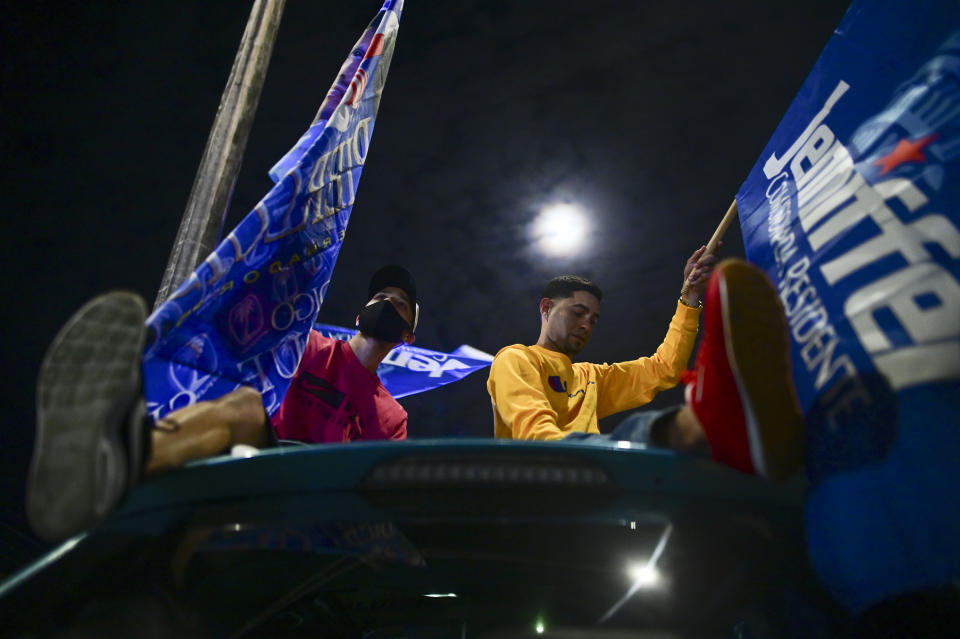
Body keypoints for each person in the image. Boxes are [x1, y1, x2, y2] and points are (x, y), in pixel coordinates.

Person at [26, 265, 419, 542]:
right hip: (258, 468)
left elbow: (380, 493)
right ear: (358, 315)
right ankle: (113, 468)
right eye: (380, 297)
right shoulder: (307, 344)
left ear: (407, 335)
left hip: (320, 507)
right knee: (245, 406)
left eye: (399, 304)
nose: (386, 303)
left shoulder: (392, 416)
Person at [487, 252, 805, 481]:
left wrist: (690, 298)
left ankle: (733, 434)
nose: (587, 324)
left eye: (593, 319)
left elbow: (663, 369)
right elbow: (535, 436)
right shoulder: (514, 359)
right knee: (644, 436)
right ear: (546, 308)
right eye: (577, 312)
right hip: (540, 482)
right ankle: (705, 423)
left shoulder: (590, 376)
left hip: (592, 492)